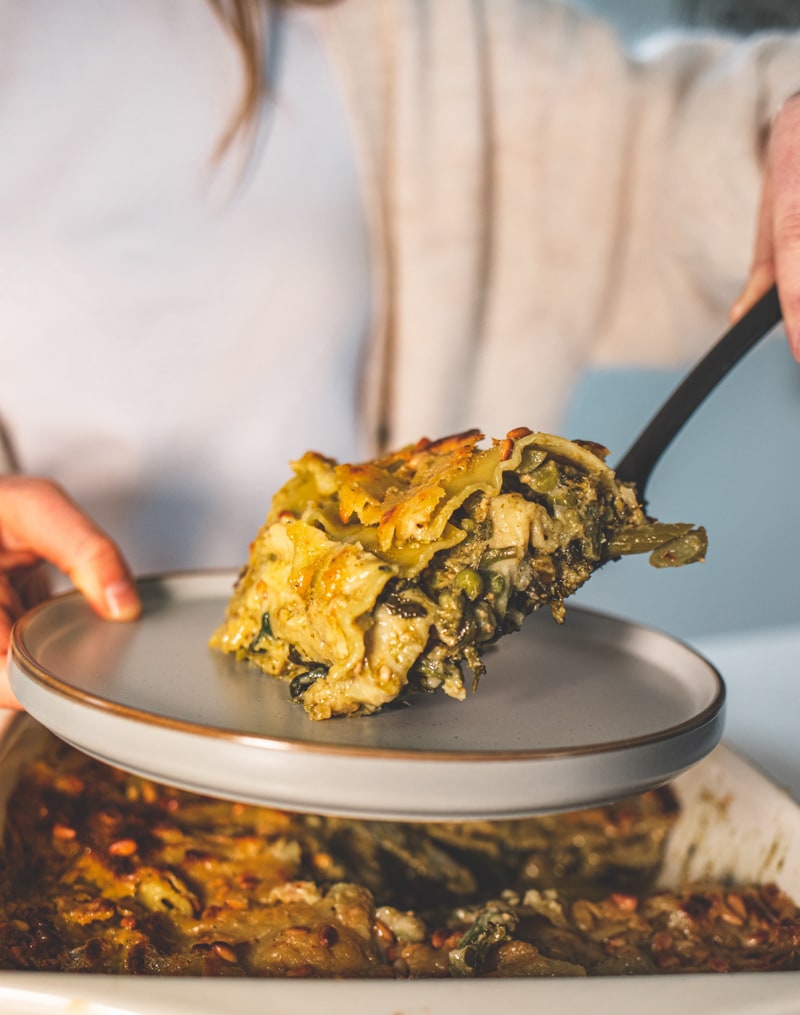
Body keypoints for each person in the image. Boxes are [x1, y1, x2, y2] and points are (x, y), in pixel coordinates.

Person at [1, 0, 800, 710]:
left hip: (392, 764)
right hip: (43, 721)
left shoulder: (446, 41)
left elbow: (705, 153)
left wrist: (783, 127)